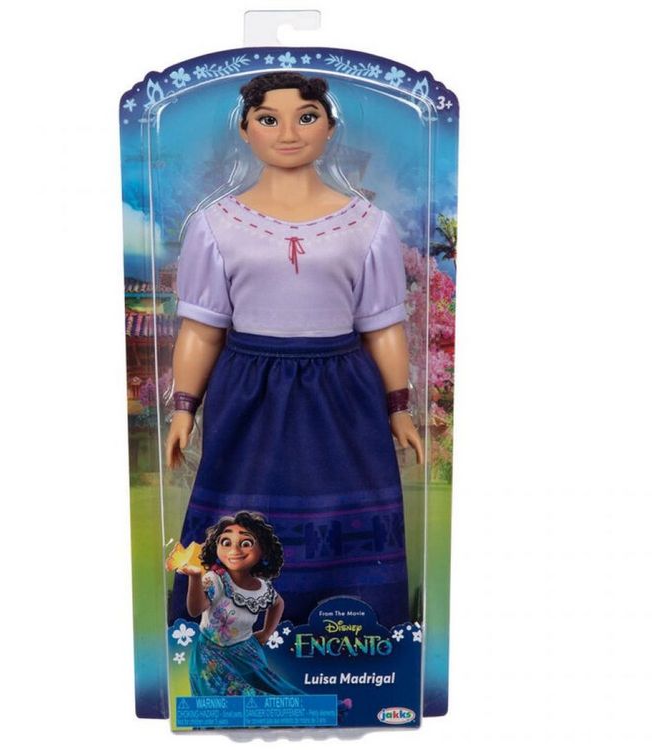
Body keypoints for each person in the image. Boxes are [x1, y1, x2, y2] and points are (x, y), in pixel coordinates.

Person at [166, 71, 423, 628]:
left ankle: (356, 624)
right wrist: (184, 407)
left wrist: (399, 407)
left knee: (349, 506)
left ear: (330, 127)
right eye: (268, 119)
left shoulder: (368, 225)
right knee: (241, 506)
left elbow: (382, 327)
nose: (288, 133)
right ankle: (230, 626)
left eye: (306, 117)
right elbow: (203, 328)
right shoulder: (216, 226)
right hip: (249, 389)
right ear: (244, 130)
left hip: (342, 390)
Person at [176, 511, 302, 696]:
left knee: (270, 691)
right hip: (211, 654)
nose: (234, 550)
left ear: (263, 549)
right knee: (222, 698)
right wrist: (195, 577)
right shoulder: (215, 579)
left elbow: (278, 603)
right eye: (226, 542)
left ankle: (319, 708)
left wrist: (266, 632)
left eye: (246, 543)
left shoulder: (262, 587)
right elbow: (195, 610)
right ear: (216, 546)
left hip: (246, 653)